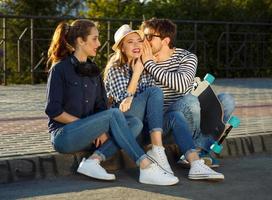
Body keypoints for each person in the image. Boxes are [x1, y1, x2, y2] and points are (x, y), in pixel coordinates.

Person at [45, 19, 179, 186]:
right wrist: (91, 126)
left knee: (134, 124)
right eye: (94, 38)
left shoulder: (93, 71)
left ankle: (92, 161)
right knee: (115, 113)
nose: (99, 43)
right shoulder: (60, 69)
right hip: (64, 136)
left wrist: (97, 128)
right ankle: (146, 166)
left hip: (89, 135)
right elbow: (53, 111)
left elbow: (101, 107)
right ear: (80, 41)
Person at [140, 18, 235, 180]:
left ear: (165, 40)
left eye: (149, 37)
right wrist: (148, 63)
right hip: (164, 124)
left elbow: (182, 85)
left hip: (189, 116)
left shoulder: (186, 57)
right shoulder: (142, 60)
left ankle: (196, 150)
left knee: (227, 100)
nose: (144, 41)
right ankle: (200, 151)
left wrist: (150, 64)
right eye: (144, 36)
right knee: (190, 101)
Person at [104, 24, 175, 176]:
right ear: (122, 48)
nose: (136, 45)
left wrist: (146, 66)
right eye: (130, 42)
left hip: (141, 123)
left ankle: (162, 151)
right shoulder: (115, 68)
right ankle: (157, 149)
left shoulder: (145, 65)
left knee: (175, 115)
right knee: (154, 91)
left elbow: (152, 103)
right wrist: (137, 72)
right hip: (124, 121)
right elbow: (124, 103)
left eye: (139, 40)